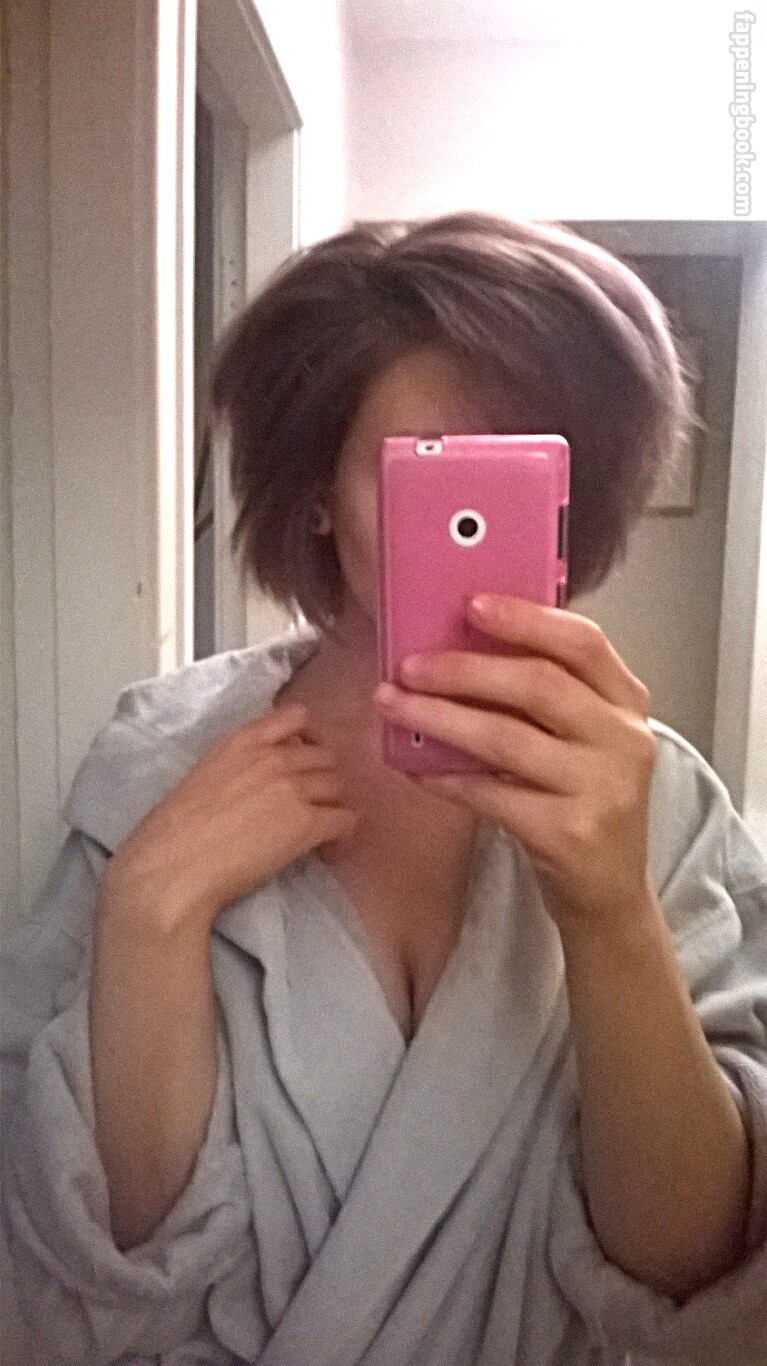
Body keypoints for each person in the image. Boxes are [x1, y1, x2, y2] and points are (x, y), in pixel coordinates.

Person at [2, 212, 766, 1366]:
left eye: (519, 477)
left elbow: (691, 1280)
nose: (469, 527)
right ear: (316, 489)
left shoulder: (655, 804)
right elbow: (92, 1280)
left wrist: (610, 913)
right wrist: (148, 915)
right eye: (425, 475)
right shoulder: (155, 766)